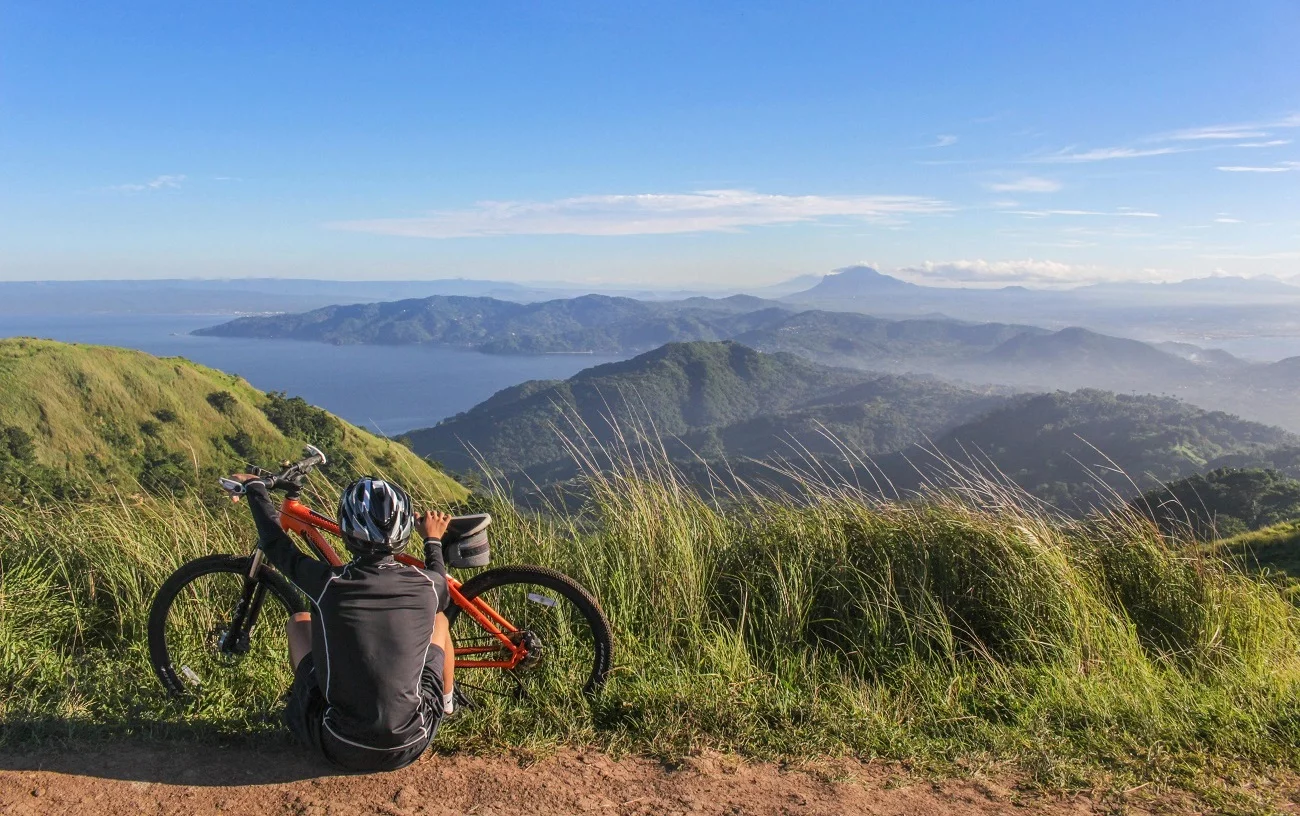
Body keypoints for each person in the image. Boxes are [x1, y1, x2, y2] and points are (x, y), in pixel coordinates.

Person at [232, 472, 455, 772]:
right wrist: (432, 539)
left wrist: (255, 487)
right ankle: (448, 703)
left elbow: (275, 543)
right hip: (411, 742)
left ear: (347, 531)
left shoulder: (327, 583)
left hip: (340, 744)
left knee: (299, 622)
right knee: (439, 621)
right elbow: (440, 581)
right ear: (403, 533)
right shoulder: (428, 586)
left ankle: (305, 703)